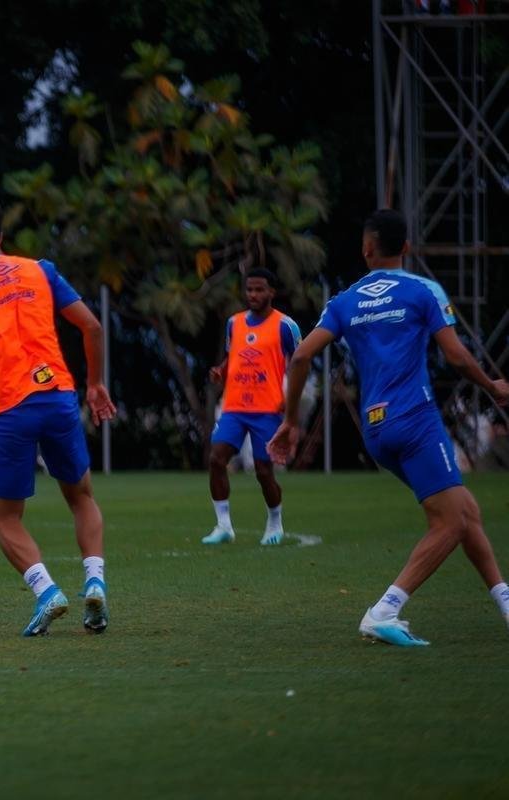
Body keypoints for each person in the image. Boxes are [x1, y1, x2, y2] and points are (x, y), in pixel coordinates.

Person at [268, 209, 509, 646]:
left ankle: (504, 600)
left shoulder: (344, 302)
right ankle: (384, 610)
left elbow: (300, 356)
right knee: (452, 520)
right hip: (415, 419)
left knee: (463, 509)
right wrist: (492, 387)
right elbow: (455, 356)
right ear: (407, 248)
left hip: (376, 431)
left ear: (366, 249)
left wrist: (290, 421)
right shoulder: (422, 290)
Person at [0, 197, 116, 637]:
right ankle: (95, 582)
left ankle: (47, 591)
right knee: (81, 496)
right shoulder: (41, 270)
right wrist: (95, 384)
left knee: (5, 518)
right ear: (1, 235)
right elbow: (92, 326)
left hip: (9, 407)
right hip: (57, 396)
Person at [203, 268, 302, 546]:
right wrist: (221, 370)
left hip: (267, 409)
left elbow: (300, 364)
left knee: (263, 471)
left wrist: (290, 404)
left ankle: (275, 522)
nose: (253, 295)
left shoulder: (286, 326)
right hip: (234, 406)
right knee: (216, 459)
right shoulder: (234, 323)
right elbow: (233, 356)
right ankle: (223, 526)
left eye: (259, 289)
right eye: (249, 290)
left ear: (272, 292)